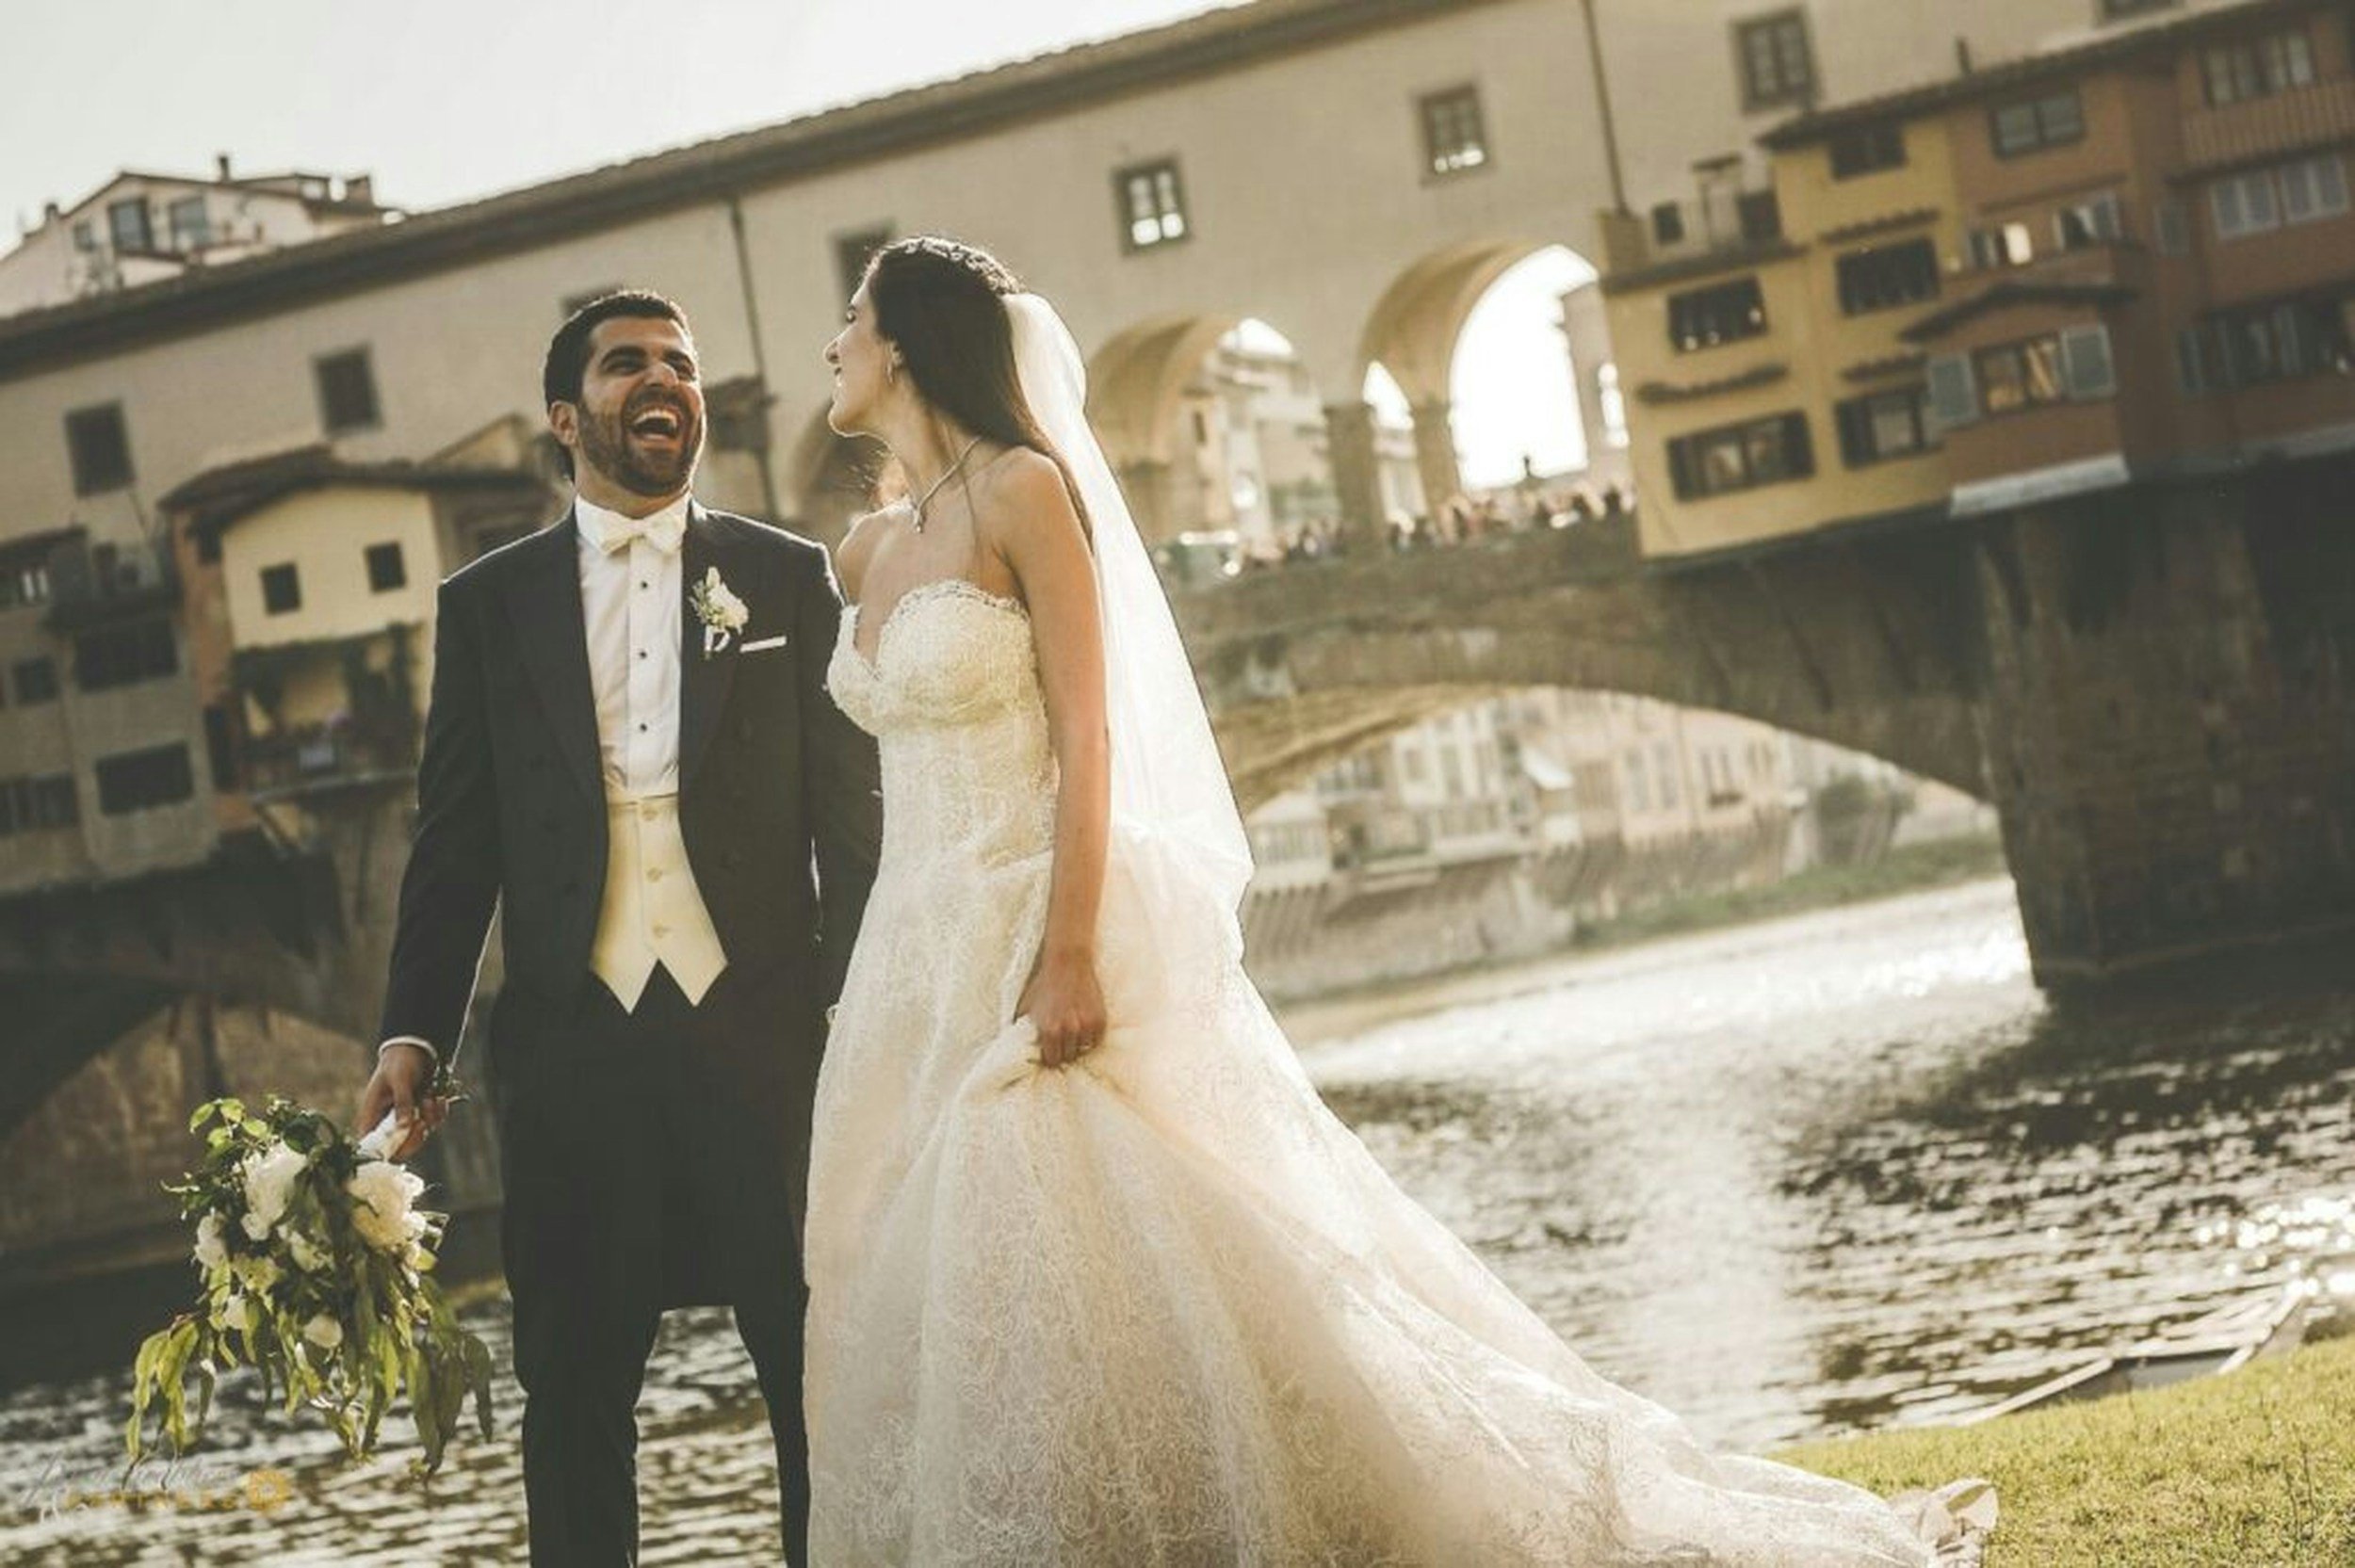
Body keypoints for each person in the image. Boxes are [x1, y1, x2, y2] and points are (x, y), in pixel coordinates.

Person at [802, 233, 1995, 1565]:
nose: (831, 346)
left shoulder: (1028, 489)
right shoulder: (862, 551)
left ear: (905, 337)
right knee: (953, 1287)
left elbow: (1091, 738)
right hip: (911, 958)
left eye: (849, 318)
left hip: (1029, 923)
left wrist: (1070, 945)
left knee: (1112, 1240)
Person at [354, 290, 881, 1566]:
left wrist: (855, 1012)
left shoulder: (785, 577)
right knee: (575, 1401)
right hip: (572, 1064)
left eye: (682, 364)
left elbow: (852, 826)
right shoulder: (487, 607)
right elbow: (456, 842)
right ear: (564, 415)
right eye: (629, 361)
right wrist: (414, 1023)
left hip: (768, 1054)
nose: (667, 379)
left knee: (821, 1384)